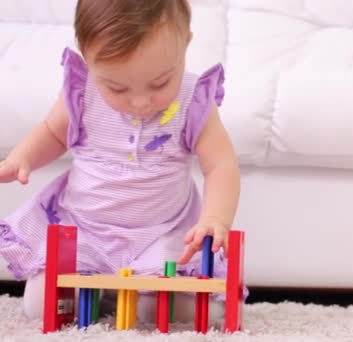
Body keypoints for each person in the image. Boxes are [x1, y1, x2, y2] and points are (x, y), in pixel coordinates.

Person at [0, 0, 241, 324]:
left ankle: (129, 293)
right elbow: (53, 134)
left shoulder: (193, 98)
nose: (141, 102)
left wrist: (215, 218)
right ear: (86, 56)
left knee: (162, 313)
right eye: (117, 87)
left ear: (186, 43)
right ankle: (103, 290)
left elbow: (220, 165)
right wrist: (23, 156)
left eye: (159, 83)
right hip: (84, 231)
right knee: (40, 306)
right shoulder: (82, 90)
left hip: (160, 235)